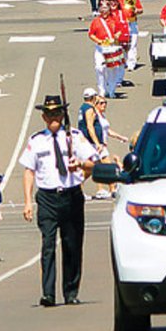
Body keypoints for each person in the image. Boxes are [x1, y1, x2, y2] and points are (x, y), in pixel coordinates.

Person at [20, 93, 99, 307]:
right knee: (47, 245)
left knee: (72, 245)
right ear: (44, 117)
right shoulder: (36, 141)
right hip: (47, 197)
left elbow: (94, 163)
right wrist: (27, 201)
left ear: (63, 114)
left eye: (57, 113)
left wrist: (80, 165)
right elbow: (29, 171)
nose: (53, 117)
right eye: (49, 113)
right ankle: (48, 293)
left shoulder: (74, 136)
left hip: (71, 195)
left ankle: (71, 292)